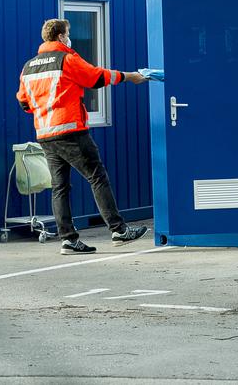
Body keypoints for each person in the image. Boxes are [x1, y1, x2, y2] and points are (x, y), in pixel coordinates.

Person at [16, 18, 149, 255]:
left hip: (46, 135)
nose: (69, 37)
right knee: (97, 177)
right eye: (68, 33)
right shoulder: (66, 58)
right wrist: (129, 76)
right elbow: (95, 77)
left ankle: (68, 239)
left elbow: (24, 102)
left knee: (59, 188)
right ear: (60, 37)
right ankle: (118, 230)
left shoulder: (29, 67)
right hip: (70, 130)